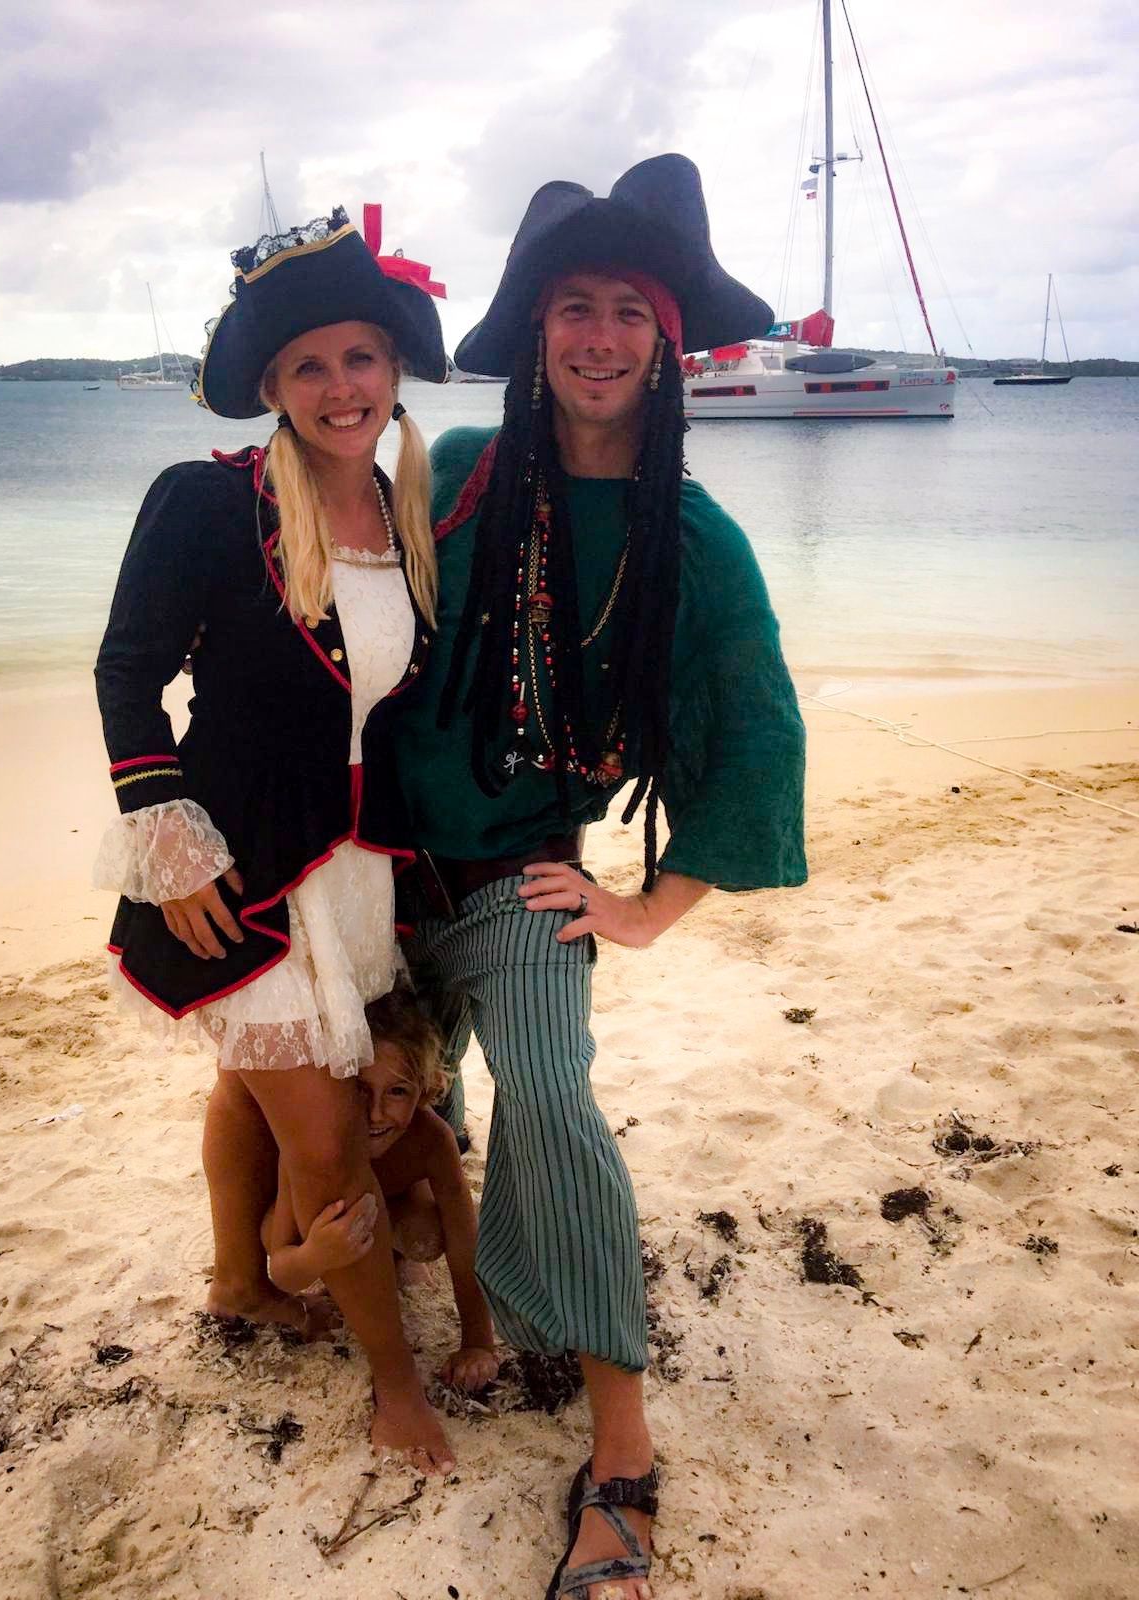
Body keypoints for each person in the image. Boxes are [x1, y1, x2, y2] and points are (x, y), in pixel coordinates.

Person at [397, 155, 807, 1597]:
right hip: (379, 866)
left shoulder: (692, 540)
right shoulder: (451, 480)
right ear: (538, 331)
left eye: (629, 310)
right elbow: (321, 643)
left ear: (666, 339)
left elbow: (759, 743)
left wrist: (643, 909)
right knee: (388, 1114)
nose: (598, 335)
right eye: (574, 304)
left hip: (522, 873)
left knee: (551, 1091)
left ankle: (620, 1449)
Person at [93, 203, 457, 1472]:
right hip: (236, 868)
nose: (340, 385)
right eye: (309, 365)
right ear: (271, 387)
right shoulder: (207, 502)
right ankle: (394, 1386)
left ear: (393, 370)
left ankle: (239, 1282)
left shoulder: (412, 521)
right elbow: (127, 671)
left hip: (355, 870)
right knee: (324, 1134)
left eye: (360, 357)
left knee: (247, 1087)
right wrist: (168, 835)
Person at [263, 985, 500, 1394]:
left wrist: (478, 1342)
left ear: (425, 1091)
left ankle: (391, 1256)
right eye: (359, 1090)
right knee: (280, 1229)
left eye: (397, 1091)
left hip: (392, 1211)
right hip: (324, 1223)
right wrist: (314, 1255)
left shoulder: (432, 1139)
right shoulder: (312, 1146)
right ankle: (356, 1260)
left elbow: (464, 1241)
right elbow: (281, 1269)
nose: (375, 1113)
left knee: (428, 1235)